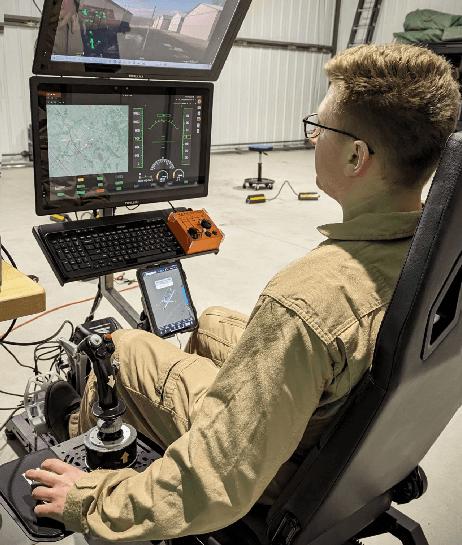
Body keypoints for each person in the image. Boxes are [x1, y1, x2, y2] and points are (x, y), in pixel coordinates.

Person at [25, 42, 461, 542]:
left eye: (319, 127)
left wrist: (90, 501)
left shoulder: (308, 300)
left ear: (355, 155)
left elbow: (217, 483)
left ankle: (77, 437)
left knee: (125, 348)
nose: (313, 137)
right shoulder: (439, 252)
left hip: (285, 475)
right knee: (210, 321)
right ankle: (184, 424)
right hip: (353, 443)